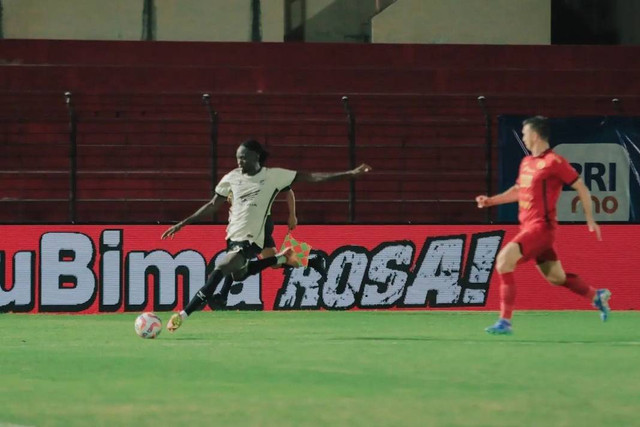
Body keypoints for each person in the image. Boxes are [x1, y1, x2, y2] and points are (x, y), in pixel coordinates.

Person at [161, 139, 372, 331]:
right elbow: (212, 205)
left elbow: (311, 178)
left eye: (243, 157)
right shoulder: (231, 178)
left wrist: (350, 174)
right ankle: (292, 258)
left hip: (252, 238)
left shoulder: (273, 176)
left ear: (256, 156)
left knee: (220, 270)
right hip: (232, 237)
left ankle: (183, 314)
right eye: (237, 157)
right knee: (240, 274)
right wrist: (183, 223)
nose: (239, 161)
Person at [475, 116, 610, 335]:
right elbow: (519, 192)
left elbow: (582, 188)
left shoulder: (554, 162)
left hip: (541, 228)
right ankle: (596, 295)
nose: (524, 137)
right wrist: (491, 201)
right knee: (557, 278)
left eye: (525, 133)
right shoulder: (526, 162)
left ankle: (505, 322)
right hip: (528, 228)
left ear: (535, 135)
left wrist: (590, 218)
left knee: (503, 262)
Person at [209, 187, 297, 309]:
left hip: (258, 224)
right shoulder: (242, 180)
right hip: (252, 223)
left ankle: (223, 295)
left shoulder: (267, 179)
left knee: (237, 256)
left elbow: (288, 190)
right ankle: (311, 262)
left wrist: (292, 215)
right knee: (274, 263)